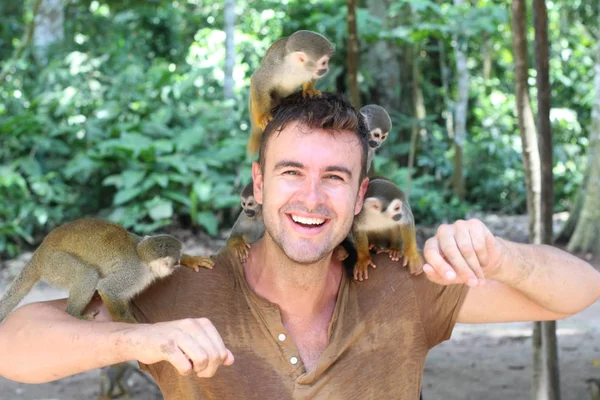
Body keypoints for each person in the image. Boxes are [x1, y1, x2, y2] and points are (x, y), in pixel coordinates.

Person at [0, 92, 599, 399]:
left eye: (334, 178)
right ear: (259, 186)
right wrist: (138, 337)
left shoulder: (402, 282)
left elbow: (580, 291)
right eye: (291, 173)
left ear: (361, 192)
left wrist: (502, 256)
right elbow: (13, 347)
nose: (311, 198)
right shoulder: (179, 288)